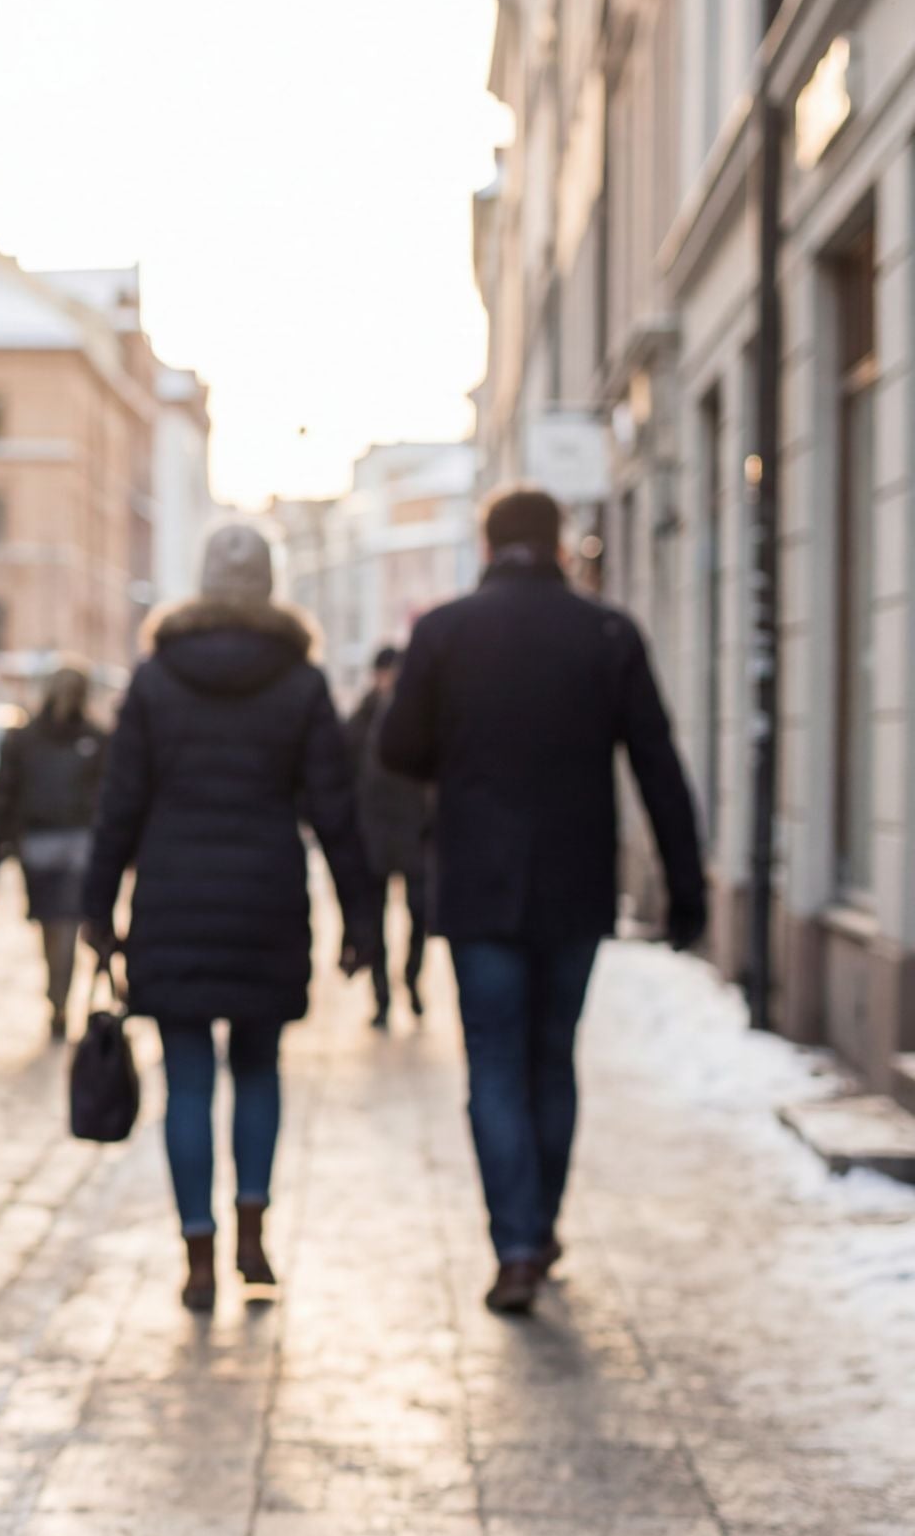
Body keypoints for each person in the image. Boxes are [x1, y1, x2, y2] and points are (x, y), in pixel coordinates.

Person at [380, 487, 705, 1315]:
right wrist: (686, 886)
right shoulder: (605, 632)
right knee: (551, 1059)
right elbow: (657, 765)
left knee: (494, 1064)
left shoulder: (444, 632)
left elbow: (399, 748)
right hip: (575, 881)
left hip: (479, 881)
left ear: (488, 546)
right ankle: (542, 1223)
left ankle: (517, 1244)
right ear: (559, 545)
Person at [85, 523, 379, 1311]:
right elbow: (335, 810)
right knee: (257, 1069)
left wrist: (96, 907)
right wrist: (362, 917)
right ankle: (252, 1229)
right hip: (266, 900)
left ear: (206, 583)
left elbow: (118, 807)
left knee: (187, 1081)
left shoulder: (156, 678)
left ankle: (198, 1252)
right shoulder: (300, 681)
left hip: (173, 899)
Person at [0, 669, 107, 1041]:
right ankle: (59, 995)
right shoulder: (95, 739)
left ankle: (57, 996)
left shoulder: (24, 739)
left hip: (44, 843)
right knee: (65, 922)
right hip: (74, 842)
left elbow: (2, 793)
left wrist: (2, 840)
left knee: (54, 924)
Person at [345, 644, 437, 1028]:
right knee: (376, 920)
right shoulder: (361, 720)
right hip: (374, 835)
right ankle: (381, 997)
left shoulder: (424, 720)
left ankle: (412, 981)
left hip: (415, 834)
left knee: (419, 917)